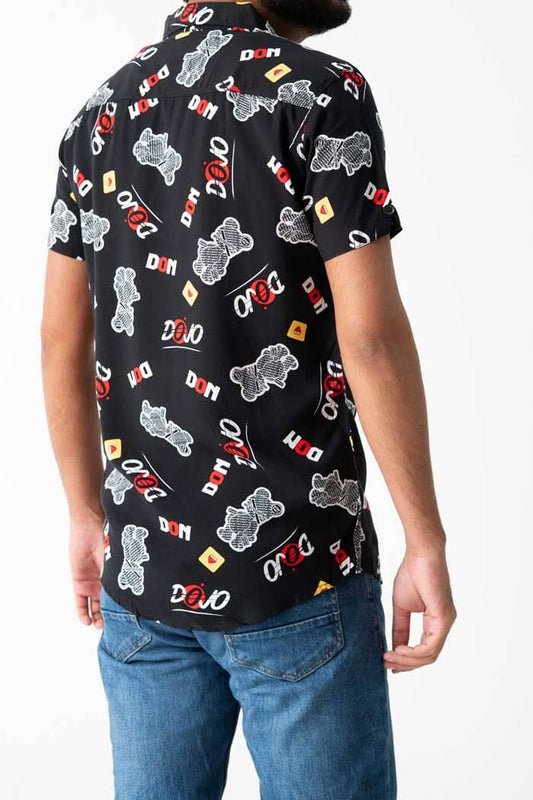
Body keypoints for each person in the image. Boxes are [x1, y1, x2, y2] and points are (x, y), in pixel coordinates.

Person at [41, 2, 457, 797]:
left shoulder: (101, 111)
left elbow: (61, 338)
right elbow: (369, 338)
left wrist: (85, 515)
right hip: (298, 568)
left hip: (145, 572)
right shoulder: (319, 92)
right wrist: (424, 540)